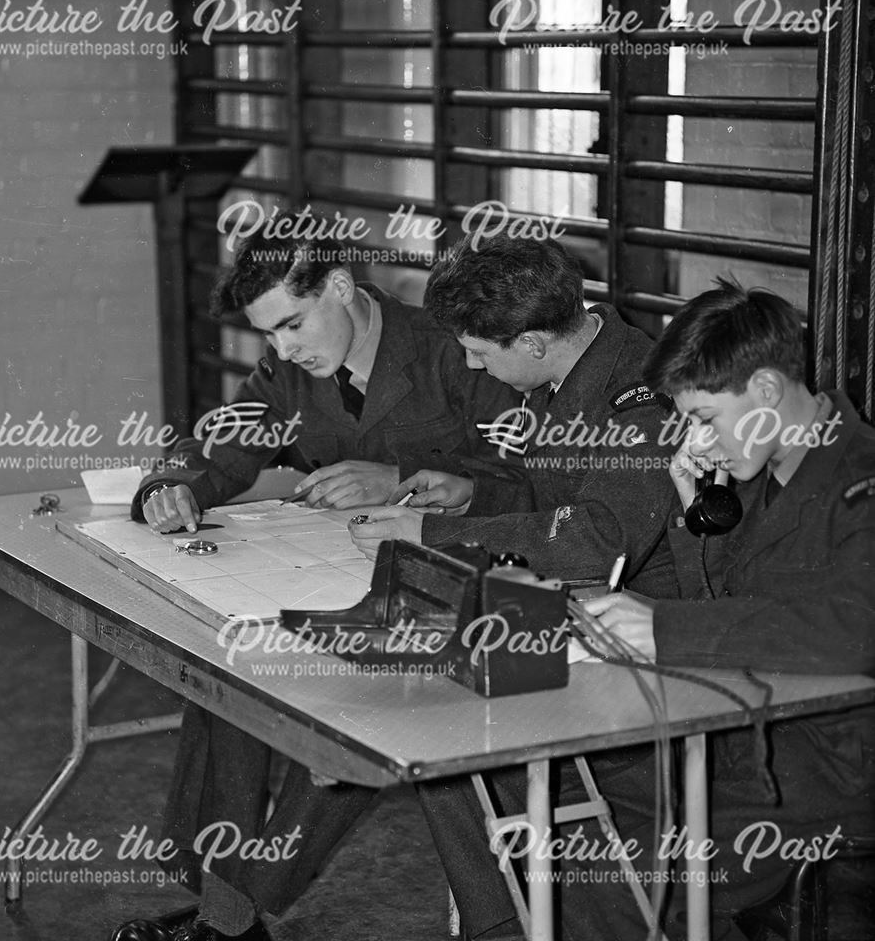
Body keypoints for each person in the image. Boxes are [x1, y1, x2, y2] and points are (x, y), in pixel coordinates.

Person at [409, 280, 875, 941]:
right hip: (728, 740)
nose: (694, 436)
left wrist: (658, 626)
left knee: (585, 882)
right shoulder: (762, 467)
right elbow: (726, 605)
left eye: (705, 418)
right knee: (470, 768)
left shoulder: (856, 479)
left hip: (814, 776)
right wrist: (693, 511)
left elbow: (854, 632)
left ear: (767, 392)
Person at [112, 217, 519, 941]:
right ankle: (221, 902)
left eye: (292, 326)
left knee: (333, 711)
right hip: (342, 573)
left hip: (461, 578)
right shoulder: (290, 367)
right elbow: (219, 444)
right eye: (268, 336)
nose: (283, 349)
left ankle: (235, 914)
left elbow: (523, 478)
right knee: (227, 677)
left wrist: (398, 480)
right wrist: (171, 487)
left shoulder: (448, 348)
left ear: (339, 287)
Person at [349, 231, 682, 940]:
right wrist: (471, 495)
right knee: (403, 685)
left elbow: (596, 537)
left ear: (531, 342)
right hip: (576, 604)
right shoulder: (573, 366)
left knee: (434, 711)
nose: (470, 363)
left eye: (477, 351)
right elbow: (551, 498)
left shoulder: (638, 393)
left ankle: (500, 924)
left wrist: (433, 537)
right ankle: (500, 917)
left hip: (641, 625)